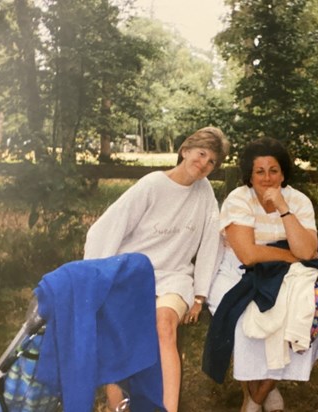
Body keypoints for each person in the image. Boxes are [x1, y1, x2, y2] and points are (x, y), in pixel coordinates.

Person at [83, 126, 230, 412]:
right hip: (133, 274)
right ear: (185, 150)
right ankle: (119, 406)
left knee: (163, 325)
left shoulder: (204, 193)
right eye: (200, 154)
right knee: (114, 326)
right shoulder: (152, 184)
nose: (203, 164)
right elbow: (110, 226)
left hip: (174, 276)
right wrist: (98, 276)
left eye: (212, 161)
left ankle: (168, 408)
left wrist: (200, 295)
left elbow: (212, 241)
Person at [205, 137, 318, 412]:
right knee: (242, 323)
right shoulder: (239, 198)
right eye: (259, 171)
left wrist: (284, 209)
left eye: (273, 170)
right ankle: (258, 389)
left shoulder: (298, 201)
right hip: (237, 271)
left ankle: (257, 397)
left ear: (283, 173)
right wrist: (289, 256)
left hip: (287, 274)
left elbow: (308, 250)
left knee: (296, 318)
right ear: (249, 176)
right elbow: (248, 255)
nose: (266, 178)